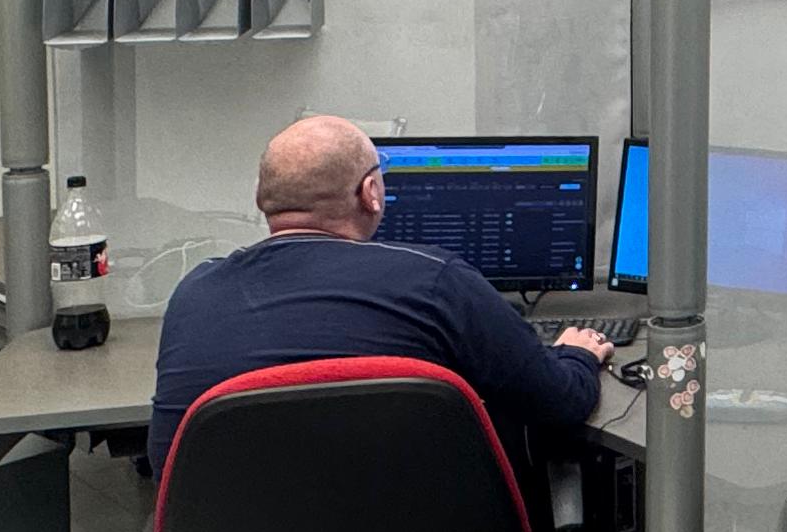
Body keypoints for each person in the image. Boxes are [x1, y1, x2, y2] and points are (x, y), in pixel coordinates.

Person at [148, 115, 616, 477]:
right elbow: (560, 402)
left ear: (261, 198)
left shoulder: (194, 292)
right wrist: (577, 355)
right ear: (371, 193)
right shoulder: (436, 281)